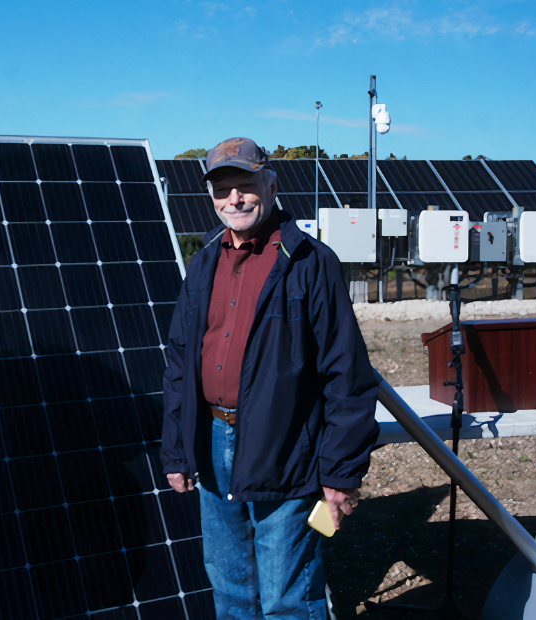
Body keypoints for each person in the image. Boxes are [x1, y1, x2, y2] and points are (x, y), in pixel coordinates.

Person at [161, 137, 379, 619]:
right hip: (212, 442)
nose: (234, 199)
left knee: (288, 596)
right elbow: (179, 364)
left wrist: (341, 471)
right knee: (231, 591)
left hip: (286, 447)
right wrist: (177, 449)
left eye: (245, 185)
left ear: (271, 184)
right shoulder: (202, 265)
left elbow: (348, 376)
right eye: (222, 190)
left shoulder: (308, 263)